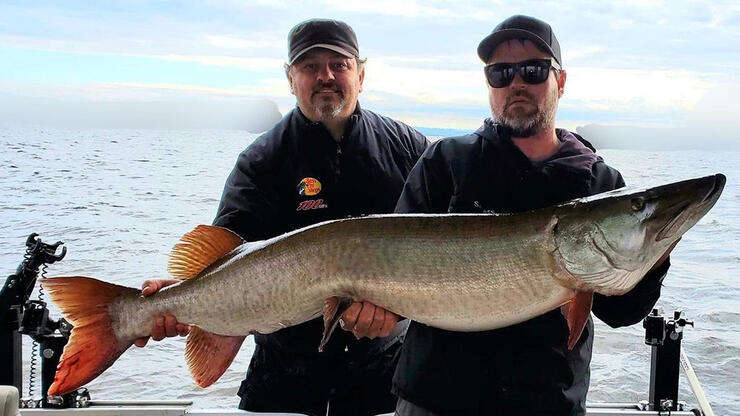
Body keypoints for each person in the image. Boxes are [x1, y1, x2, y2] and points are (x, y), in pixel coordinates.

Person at [135, 18, 428, 416]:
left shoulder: (410, 149)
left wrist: (398, 311)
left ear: (361, 74)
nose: (325, 76)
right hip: (283, 379)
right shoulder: (261, 161)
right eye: (310, 67)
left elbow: (442, 256)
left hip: (387, 378)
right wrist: (181, 296)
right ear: (291, 79)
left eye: (338, 64)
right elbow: (223, 256)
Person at [392, 15, 675, 416]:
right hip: (436, 399)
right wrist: (369, 311)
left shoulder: (602, 182)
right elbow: (393, 268)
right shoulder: (446, 162)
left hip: (548, 402)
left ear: (560, 82)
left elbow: (621, 312)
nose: (517, 83)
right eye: (500, 73)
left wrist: (654, 257)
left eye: (533, 70)